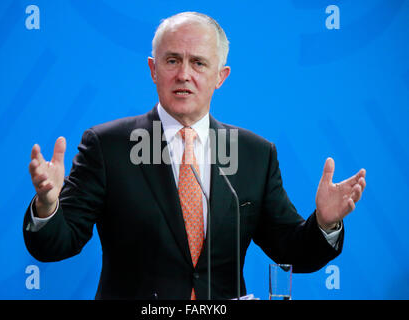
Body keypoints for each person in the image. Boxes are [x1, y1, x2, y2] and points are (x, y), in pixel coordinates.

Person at [24, 12, 366, 300]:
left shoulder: (254, 154)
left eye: (198, 63)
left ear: (220, 77)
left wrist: (324, 223)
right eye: (172, 60)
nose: (183, 74)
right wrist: (47, 205)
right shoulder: (108, 145)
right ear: (153, 69)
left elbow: (290, 250)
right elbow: (58, 244)